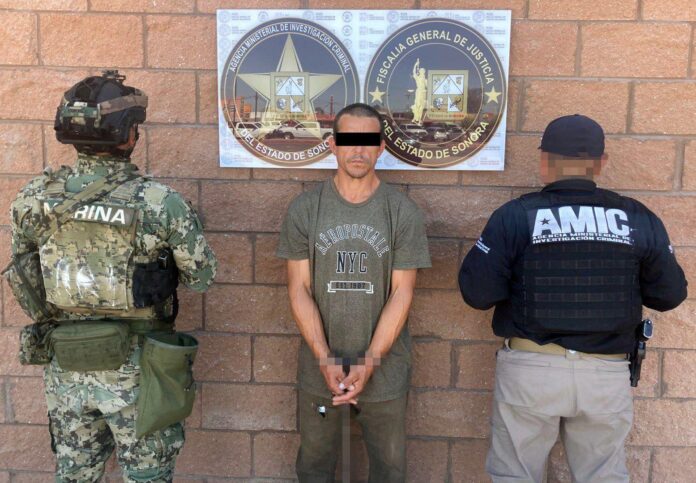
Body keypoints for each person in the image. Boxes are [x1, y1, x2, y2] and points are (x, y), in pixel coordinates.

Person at [7, 71, 217, 482]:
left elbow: (25, 278)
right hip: (140, 370)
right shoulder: (159, 202)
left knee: (75, 475)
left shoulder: (34, 198)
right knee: (147, 477)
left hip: (67, 366)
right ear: (128, 134)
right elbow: (202, 277)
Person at [458, 114, 687, 483]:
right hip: (605, 376)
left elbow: (477, 293)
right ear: (601, 162)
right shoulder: (637, 217)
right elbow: (669, 295)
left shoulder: (515, 216)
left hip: (531, 371)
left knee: (514, 476)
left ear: (544, 161)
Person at [277, 103, 431, 482]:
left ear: (381, 147)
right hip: (320, 374)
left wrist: (371, 361)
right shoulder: (305, 209)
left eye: (367, 141)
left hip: (385, 375)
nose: (358, 150)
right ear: (333, 145)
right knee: (314, 466)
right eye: (349, 140)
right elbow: (299, 289)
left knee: (389, 470)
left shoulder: (402, 212)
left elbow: (402, 293)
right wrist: (324, 357)